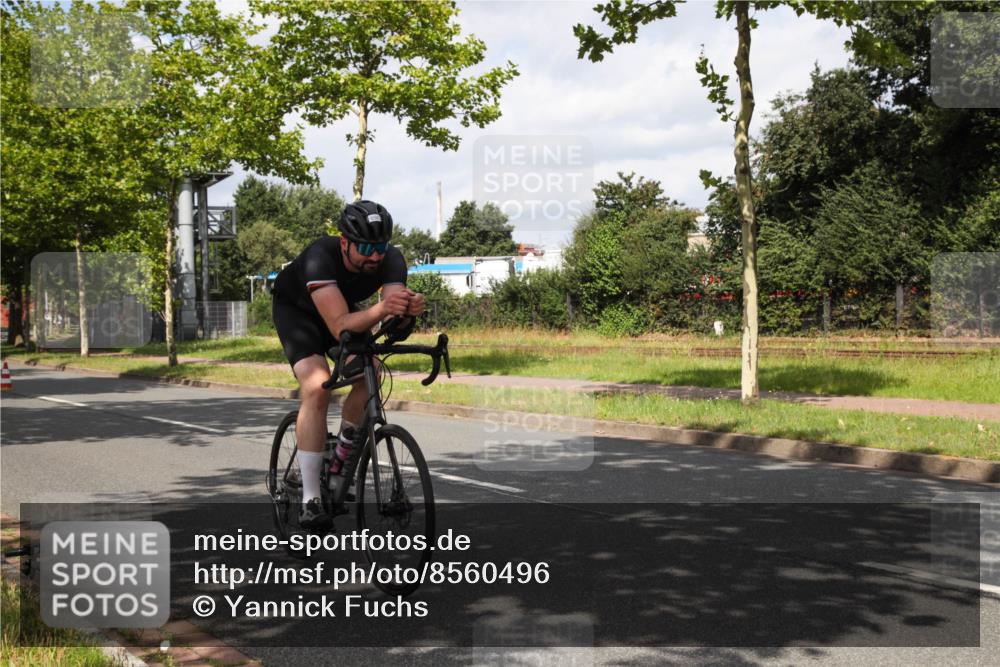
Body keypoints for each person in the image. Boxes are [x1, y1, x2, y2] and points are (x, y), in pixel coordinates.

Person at [271, 200, 426, 529]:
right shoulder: (319, 258)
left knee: (368, 372)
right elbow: (341, 324)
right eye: (366, 247)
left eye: (380, 247)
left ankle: (342, 454)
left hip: (342, 311)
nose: (374, 256)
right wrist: (384, 309)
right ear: (345, 243)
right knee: (317, 387)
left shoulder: (391, 260)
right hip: (299, 315)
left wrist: (406, 313)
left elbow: (392, 321)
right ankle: (311, 498)